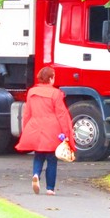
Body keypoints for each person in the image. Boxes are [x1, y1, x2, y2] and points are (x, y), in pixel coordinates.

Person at [15, 66, 76, 195]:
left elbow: (27, 113)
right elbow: (61, 114)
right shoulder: (56, 93)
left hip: (35, 127)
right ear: (51, 78)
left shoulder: (32, 92)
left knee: (38, 156)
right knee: (52, 159)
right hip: (52, 129)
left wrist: (26, 130)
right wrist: (66, 133)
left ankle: (36, 175)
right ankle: (50, 188)